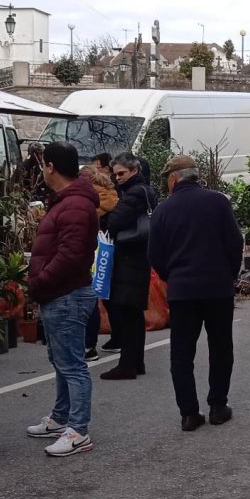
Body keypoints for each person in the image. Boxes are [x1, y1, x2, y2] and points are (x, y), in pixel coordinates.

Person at [148, 155, 242, 431]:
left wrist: (173, 277)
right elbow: (235, 242)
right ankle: (217, 405)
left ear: (174, 178)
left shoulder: (163, 210)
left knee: (181, 352)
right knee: (221, 347)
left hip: (182, 291)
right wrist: (229, 274)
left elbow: (155, 254)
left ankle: (189, 412)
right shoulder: (218, 202)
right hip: (218, 288)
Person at [25, 142, 99, 457]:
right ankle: (61, 417)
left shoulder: (75, 205)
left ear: (51, 167)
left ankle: (78, 431)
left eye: (43, 165)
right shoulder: (68, 202)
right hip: (60, 293)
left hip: (66, 293)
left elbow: (71, 255)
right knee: (62, 361)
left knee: (72, 365)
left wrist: (41, 282)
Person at [101, 152, 158, 380]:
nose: (118, 178)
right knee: (133, 312)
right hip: (139, 255)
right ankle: (136, 361)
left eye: (122, 173)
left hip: (129, 257)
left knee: (126, 311)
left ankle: (127, 364)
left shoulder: (134, 193)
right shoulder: (145, 190)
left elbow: (115, 221)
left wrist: (108, 218)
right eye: (115, 174)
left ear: (134, 170)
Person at [79, 164, 118, 361]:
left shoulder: (89, 196)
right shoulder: (111, 192)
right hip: (109, 247)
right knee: (107, 294)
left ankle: (88, 346)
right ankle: (118, 337)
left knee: (92, 297)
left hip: (95, 248)